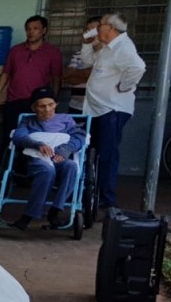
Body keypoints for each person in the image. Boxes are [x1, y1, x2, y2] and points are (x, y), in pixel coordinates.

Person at [78, 12, 146, 212]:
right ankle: (93, 194)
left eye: (101, 25)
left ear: (111, 28)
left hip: (112, 109)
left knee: (107, 154)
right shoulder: (108, 47)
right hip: (97, 109)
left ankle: (106, 198)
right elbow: (87, 61)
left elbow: (139, 67)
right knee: (94, 152)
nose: (97, 28)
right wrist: (87, 43)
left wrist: (124, 86)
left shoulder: (124, 46)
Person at [9, 87, 87, 231]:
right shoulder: (28, 121)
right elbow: (18, 137)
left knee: (72, 166)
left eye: (51, 105)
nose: (47, 109)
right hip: (37, 158)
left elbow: (80, 137)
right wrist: (38, 144)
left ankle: (55, 210)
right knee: (47, 170)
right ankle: (28, 215)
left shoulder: (66, 120)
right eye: (42, 106)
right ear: (34, 108)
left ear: (56, 104)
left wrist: (66, 149)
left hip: (60, 157)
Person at [0, 15, 63, 138]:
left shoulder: (52, 52)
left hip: (39, 104)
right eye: (28, 29)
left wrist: (53, 101)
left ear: (44, 30)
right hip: (14, 101)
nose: (31, 32)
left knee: (36, 138)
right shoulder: (15, 51)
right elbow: (6, 73)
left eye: (35, 28)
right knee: (10, 137)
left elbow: (56, 78)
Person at [64, 16, 103, 114]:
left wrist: (78, 73)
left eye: (93, 30)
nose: (90, 34)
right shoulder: (78, 54)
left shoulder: (108, 56)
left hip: (98, 110)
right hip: (76, 107)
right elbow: (68, 77)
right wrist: (89, 73)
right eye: (87, 30)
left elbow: (101, 78)